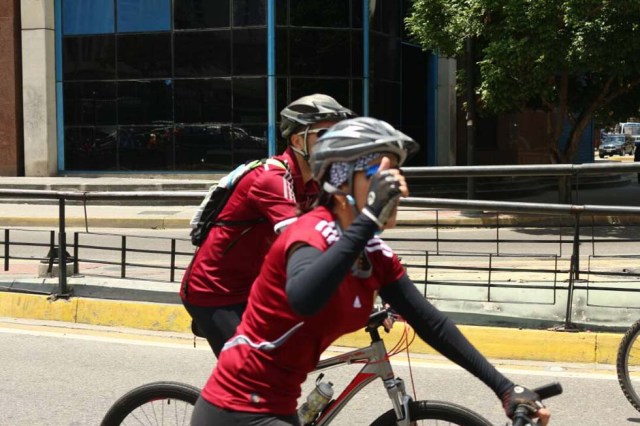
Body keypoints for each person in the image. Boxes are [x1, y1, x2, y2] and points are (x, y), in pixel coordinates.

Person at [190, 117, 551, 426]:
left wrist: (504, 388)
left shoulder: (372, 252)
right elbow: (303, 297)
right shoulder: (309, 233)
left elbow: (431, 323)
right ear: (342, 180)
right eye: (381, 174)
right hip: (234, 411)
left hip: (278, 409)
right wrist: (367, 220)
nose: (397, 187)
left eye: (397, 174)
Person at [180, 94, 356, 357]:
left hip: (255, 289)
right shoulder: (271, 179)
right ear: (298, 140)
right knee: (253, 373)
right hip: (215, 291)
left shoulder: (316, 183)